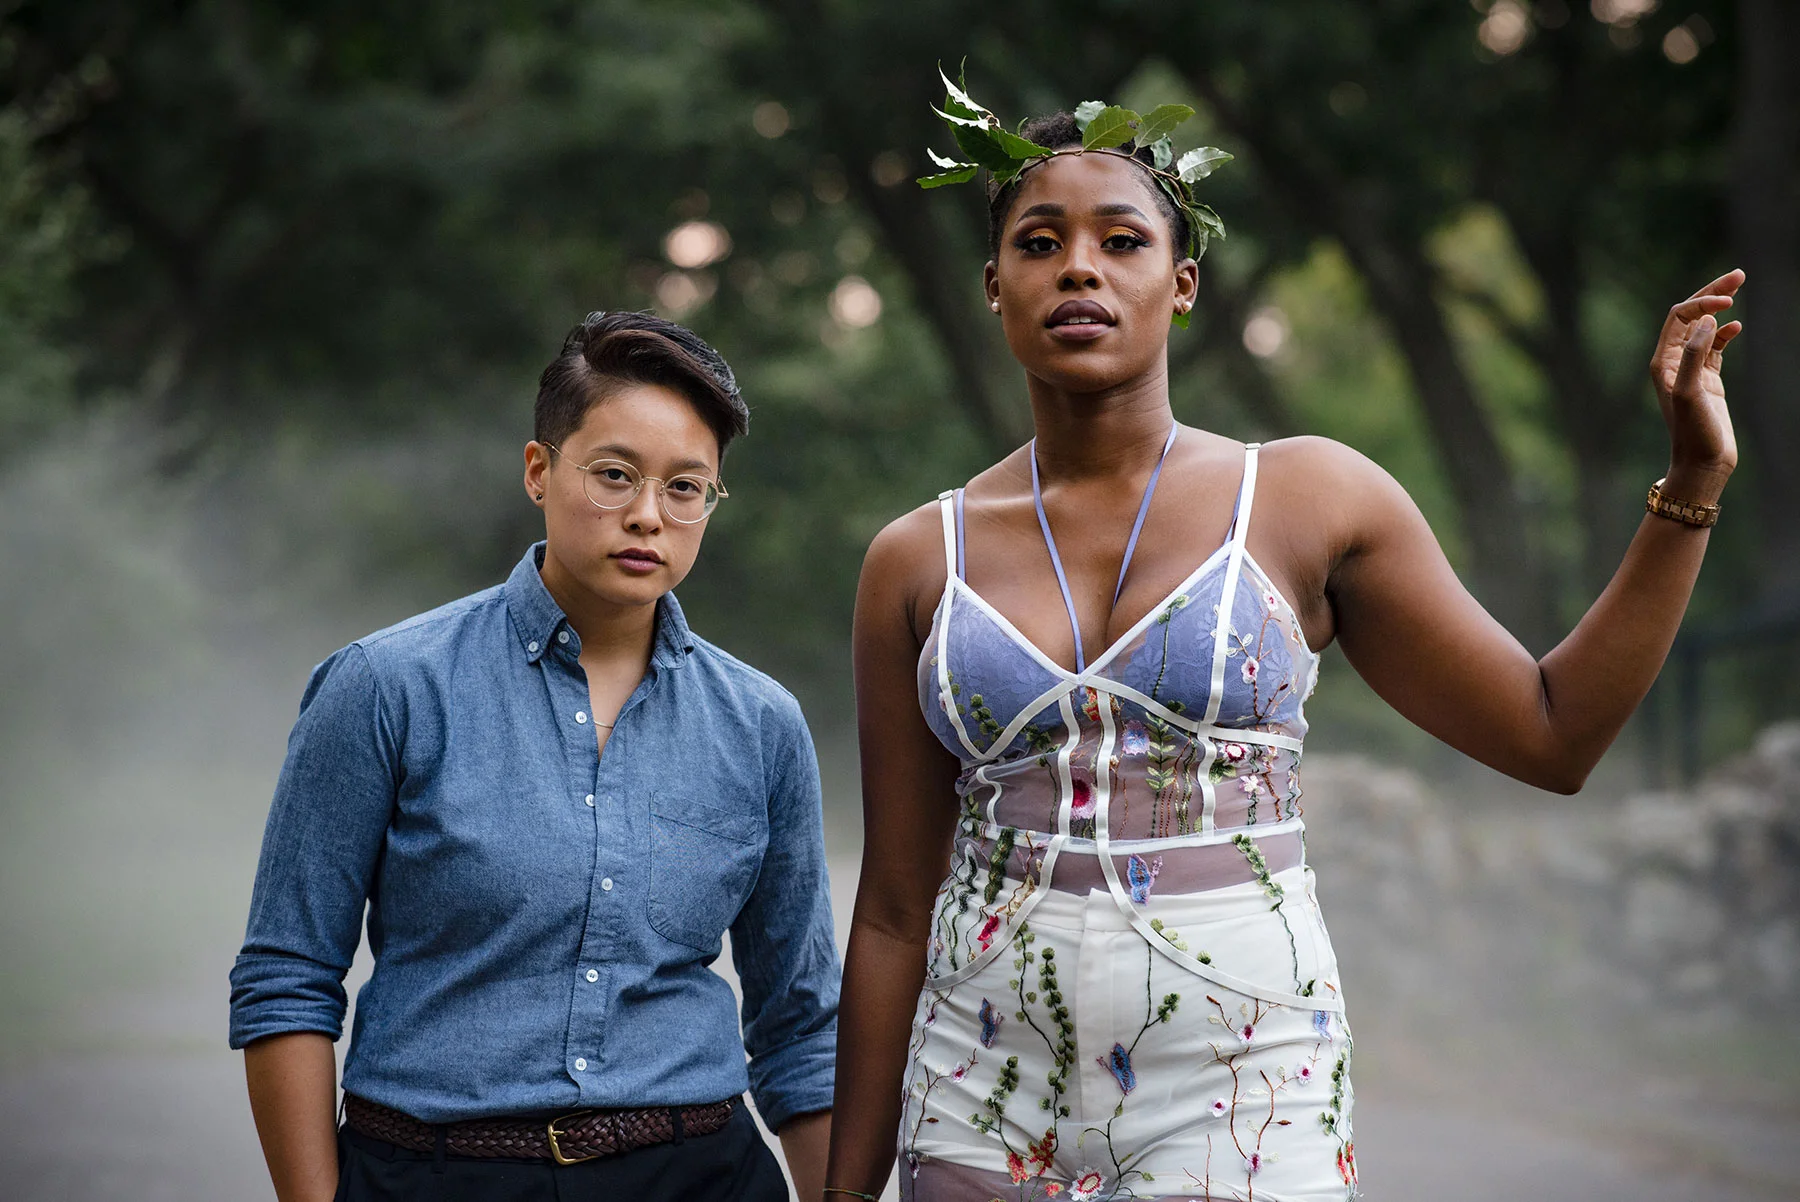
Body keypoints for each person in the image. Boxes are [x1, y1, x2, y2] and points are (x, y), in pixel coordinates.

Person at [824, 94, 1742, 1202]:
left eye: (1121, 240)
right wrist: (841, 1189)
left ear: (1183, 282)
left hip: (1243, 1085)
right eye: (1039, 242)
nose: (1080, 268)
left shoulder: (1306, 498)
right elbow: (888, 906)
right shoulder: (921, 557)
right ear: (994, 286)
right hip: (978, 1090)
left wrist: (1689, 485)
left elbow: (1553, 732)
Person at [230, 311, 839, 1202]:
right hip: (433, 1173)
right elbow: (287, 978)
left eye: (686, 488)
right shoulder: (387, 687)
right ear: (539, 471)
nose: (646, 516)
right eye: (615, 475)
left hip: (701, 1169)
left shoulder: (761, 723)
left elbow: (801, 1024)